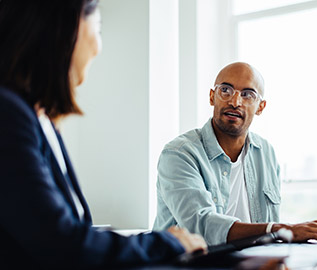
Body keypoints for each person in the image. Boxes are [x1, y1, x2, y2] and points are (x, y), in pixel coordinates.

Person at [0, 0, 206, 268]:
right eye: (97, 29)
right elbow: (61, 243)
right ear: (67, 31)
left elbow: (71, 233)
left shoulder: (41, 119)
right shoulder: (9, 112)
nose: (98, 47)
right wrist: (168, 242)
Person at [153, 62, 317, 245]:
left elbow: (266, 227)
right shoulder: (179, 154)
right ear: (212, 96)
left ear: (260, 107)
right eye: (225, 90)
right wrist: (287, 229)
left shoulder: (265, 152)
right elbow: (200, 228)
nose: (235, 101)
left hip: (253, 261)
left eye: (248, 94)